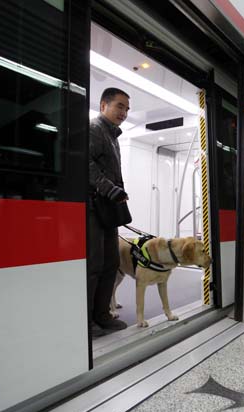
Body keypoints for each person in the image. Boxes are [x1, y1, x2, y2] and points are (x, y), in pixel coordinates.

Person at [87, 87, 131, 337]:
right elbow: (86, 164)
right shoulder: (95, 129)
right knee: (94, 264)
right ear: (103, 105)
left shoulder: (112, 136)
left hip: (108, 208)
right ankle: (88, 320)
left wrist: (119, 192)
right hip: (94, 207)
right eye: (119, 106)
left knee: (111, 262)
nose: (123, 113)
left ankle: (102, 314)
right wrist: (110, 188)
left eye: (126, 109)